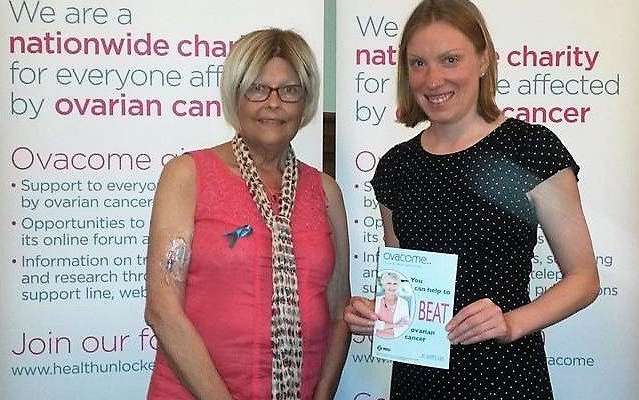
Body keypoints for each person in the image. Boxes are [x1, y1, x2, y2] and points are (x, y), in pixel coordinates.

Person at [344, 0, 600, 398]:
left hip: (505, 376)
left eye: (450, 60)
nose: (433, 79)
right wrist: (376, 314)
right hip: (419, 381)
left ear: (483, 60)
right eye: (418, 63)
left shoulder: (530, 149)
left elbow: (584, 280)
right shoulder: (396, 167)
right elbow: (405, 286)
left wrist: (511, 323)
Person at [145, 28, 351, 400]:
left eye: (289, 90)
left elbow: (339, 312)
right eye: (257, 88)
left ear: (305, 101)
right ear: (235, 94)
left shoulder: (325, 192)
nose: (273, 103)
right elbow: (163, 310)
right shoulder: (188, 175)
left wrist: (323, 393)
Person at [374, 271, 410, 338]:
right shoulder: (377, 301)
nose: (392, 286)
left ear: (398, 286)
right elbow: (373, 324)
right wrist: (396, 325)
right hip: (376, 338)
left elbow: (405, 325)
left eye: (395, 284)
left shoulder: (404, 303)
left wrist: (384, 325)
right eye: (389, 283)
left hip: (395, 339)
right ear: (383, 285)